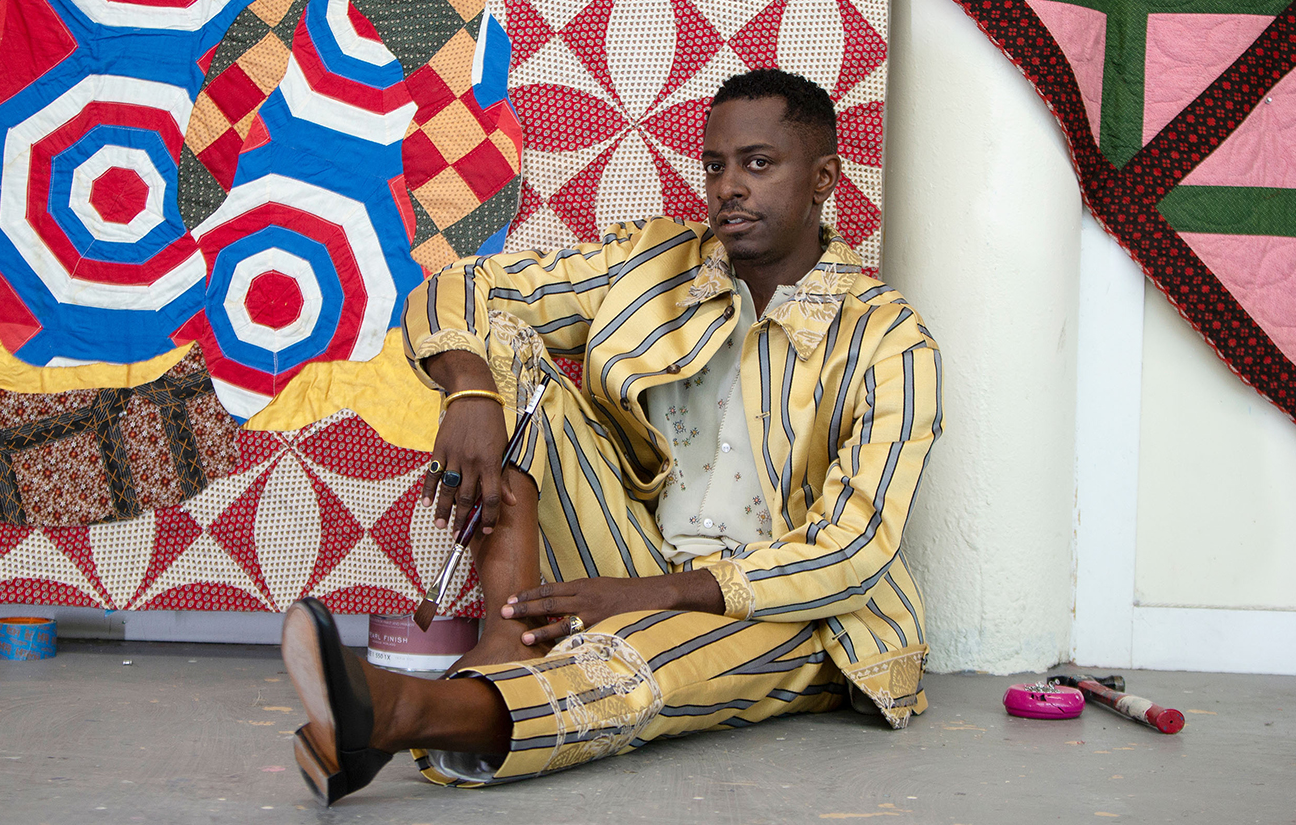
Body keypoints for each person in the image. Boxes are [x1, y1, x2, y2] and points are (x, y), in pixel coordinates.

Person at [280, 68, 943, 804]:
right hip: (631, 553)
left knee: (638, 656)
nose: (728, 187)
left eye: (758, 164)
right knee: (498, 347)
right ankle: (505, 639)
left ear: (823, 179)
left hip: (794, 615)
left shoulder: (891, 340)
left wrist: (640, 597)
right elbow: (463, 287)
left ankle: (404, 711)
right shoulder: (657, 262)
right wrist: (468, 386)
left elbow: (853, 552)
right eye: (715, 165)